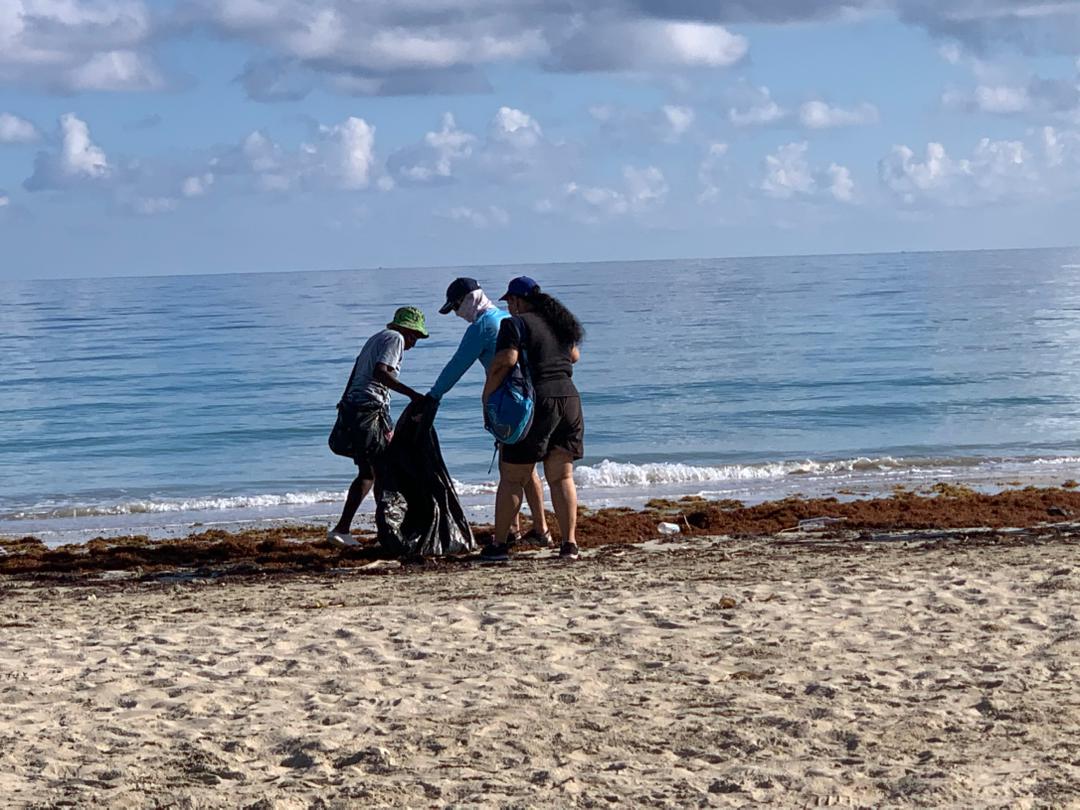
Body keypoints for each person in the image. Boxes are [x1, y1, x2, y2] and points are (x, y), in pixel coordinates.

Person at [429, 277, 550, 547]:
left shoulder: (482, 326)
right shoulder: (506, 316)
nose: (457, 314)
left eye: (456, 307)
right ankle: (534, 528)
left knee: (510, 470)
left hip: (510, 405)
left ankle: (512, 533)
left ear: (468, 300)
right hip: (532, 398)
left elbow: (456, 365)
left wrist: (433, 396)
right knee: (526, 468)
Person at [481, 276, 585, 561]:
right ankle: (570, 545)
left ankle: (500, 545)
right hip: (569, 399)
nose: (509, 306)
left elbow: (505, 361)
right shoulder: (559, 322)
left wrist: (487, 396)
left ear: (516, 301)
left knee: (513, 478)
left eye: (510, 301)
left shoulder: (514, 324)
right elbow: (573, 356)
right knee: (562, 476)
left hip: (536, 403)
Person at [328, 306, 429, 547]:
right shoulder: (395, 338)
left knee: (369, 471)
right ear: (405, 329)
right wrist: (414, 396)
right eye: (414, 335)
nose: (414, 342)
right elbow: (380, 372)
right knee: (382, 471)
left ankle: (344, 529)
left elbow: (357, 374)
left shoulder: (376, 338)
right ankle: (385, 533)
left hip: (355, 409)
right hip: (369, 411)